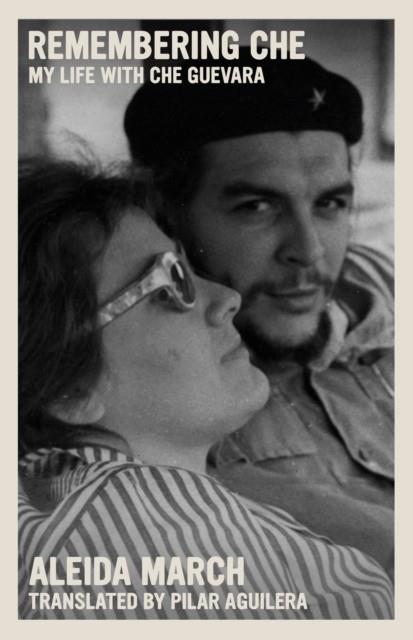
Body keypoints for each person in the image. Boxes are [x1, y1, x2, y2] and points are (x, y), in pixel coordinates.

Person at [18, 156, 392, 620]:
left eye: (190, 267)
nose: (226, 299)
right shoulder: (140, 550)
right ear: (71, 389)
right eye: (170, 283)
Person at [124, 52, 394, 576]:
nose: (308, 251)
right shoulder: (144, 404)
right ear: (166, 215)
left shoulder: (380, 303)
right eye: (256, 207)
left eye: (330, 204)